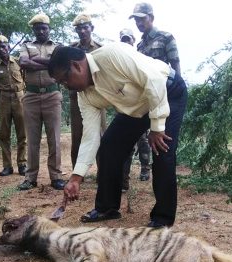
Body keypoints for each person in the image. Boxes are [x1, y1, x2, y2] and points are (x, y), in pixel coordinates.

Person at [48, 43, 188, 228]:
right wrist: (76, 177)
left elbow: (153, 80)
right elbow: (90, 137)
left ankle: (163, 218)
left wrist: (157, 127)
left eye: (65, 80)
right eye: (61, 84)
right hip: (138, 106)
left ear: (76, 65)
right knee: (109, 146)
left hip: (167, 92)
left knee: (162, 150)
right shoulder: (85, 97)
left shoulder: (111, 55)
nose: (67, 87)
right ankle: (107, 207)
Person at [17, 13, 66, 191]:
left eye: (44, 28)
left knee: (54, 139)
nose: (41, 31)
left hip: (52, 95)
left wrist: (35, 61)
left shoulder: (58, 47)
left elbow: (59, 65)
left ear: (49, 29)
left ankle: (56, 177)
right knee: (32, 139)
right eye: (38, 29)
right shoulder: (26, 45)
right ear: (34, 30)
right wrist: (48, 64)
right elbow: (23, 62)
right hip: (30, 96)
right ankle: (30, 178)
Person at [69, 13, 106, 170]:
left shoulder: (100, 48)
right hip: (77, 97)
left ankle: (102, 172)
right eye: (79, 29)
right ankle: (77, 172)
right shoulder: (71, 49)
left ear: (91, 28)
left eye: (85, 27)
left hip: (98, 97)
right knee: (77, 135)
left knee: (100, 135)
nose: (82, 31)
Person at [0, 34, 28, 177]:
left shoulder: (18, 62)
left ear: (9, 47)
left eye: (3, 46)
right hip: (4, 99)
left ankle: (22, 164)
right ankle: (7, 166)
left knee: (22, 133)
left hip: (20, 98)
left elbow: (25, 80)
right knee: (4, 134)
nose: (1, 49)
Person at [118, 28, 152, 192]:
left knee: (143, 140)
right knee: (125, 144)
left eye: (128, 39)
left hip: (141, 104)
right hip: (125, 105)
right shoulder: (117, 57)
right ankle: (123, 180)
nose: (126, 42)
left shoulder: (141, 54)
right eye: (123, 39)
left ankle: (146, 168)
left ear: (133, 40)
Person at [130, 2, 181, 76]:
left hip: (165, 85)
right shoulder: (139, 46)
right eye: (136, 20)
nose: (139, 23)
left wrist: (178, 86)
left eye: (142, 19)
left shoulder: (166, 37)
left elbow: (175, 65)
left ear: (151, 18)